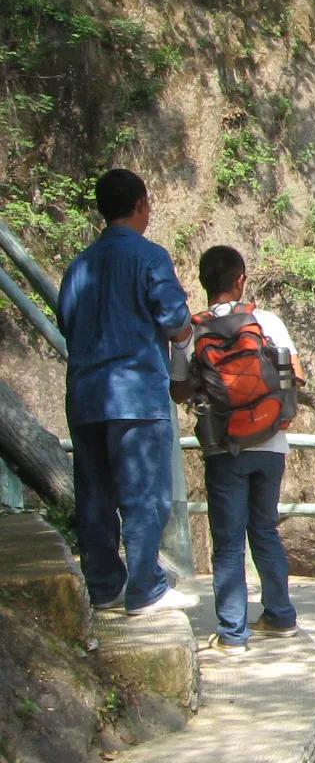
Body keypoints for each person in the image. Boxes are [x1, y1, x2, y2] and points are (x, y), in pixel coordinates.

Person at [56, 169, 194, 616]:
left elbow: (67, 323)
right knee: (144, 494)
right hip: (135, 393)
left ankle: (102, 587)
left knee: (95, 496)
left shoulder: (79, 265)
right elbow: (174, 321)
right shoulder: (149, 257)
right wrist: (187, 327)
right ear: (140, 205)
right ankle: (145, 588)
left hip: (86, 395)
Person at [170, 245, 301, 652]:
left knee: (228, 541)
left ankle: (232, 633)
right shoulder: (267, 321)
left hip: (223, 446)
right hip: (271, 442)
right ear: (241, 279)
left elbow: (177, 391)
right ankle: (280, 616)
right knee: (264, 530)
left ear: (203, 281)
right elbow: (293, 375)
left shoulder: (192, 332)